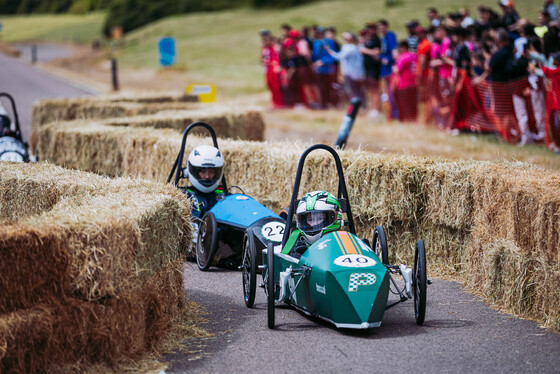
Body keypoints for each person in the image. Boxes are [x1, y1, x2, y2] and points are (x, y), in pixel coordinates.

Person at [282, 191, 342, 259]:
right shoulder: (296, 245)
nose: (315, 223)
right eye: (310, 220)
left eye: (320, 218)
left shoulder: (343, 242)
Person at [325, 31, 367, 107]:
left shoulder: (350, 48)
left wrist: (330, 51)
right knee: (356, 91)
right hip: (355, 73)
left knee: (353, 91)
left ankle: (357, 107)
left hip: (352, 73)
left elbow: (339, 57)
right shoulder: (353, 47)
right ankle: (361, 106)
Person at [184, 145, 225, 219]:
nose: (207, 176)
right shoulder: (185, 196)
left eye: (211, 171)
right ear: (195, 172)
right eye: (203, 171)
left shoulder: (223, 196)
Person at [378, 19, 399, 119]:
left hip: (390, 69)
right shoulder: (383, 38)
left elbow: (394, 52)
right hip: (384, 70)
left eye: (382, 26)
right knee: (387, 93)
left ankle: (395, 114)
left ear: (386, 26)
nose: (380, 28)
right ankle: (390, 114)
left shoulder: (390, 35)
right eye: (379, 26)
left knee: (392, 93)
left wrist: (388, 59)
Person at [361, 22, 382, 118]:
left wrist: (364, 50)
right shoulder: (368, 39)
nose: (369, 30)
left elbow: (376, 52)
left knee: (375, 89)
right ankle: (373, 108)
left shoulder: (376, 39)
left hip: (374, 68)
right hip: (367, 67)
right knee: (370, 89)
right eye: (368, 28)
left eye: (371, 28)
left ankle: (376, 109)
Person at [260, 29, 285, 109]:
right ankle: (274, 103)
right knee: (270, 85)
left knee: (276, 86)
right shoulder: (263, 48)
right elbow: (262, 58)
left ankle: (279, 103)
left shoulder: (273, 48)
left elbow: (276, 59)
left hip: (273, 69)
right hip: (267, 69)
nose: (265, 41)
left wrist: (275, 65)